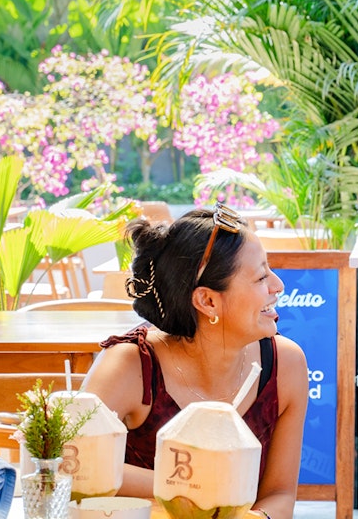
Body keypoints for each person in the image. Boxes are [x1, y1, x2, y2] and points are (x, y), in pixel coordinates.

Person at [83, 205, 307, 519]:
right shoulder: (130, 366)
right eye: (260, 277)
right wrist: (196, 483)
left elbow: (280, 495)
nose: (277, 286)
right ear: (207, 300)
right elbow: (71, 465)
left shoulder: (285, 366)